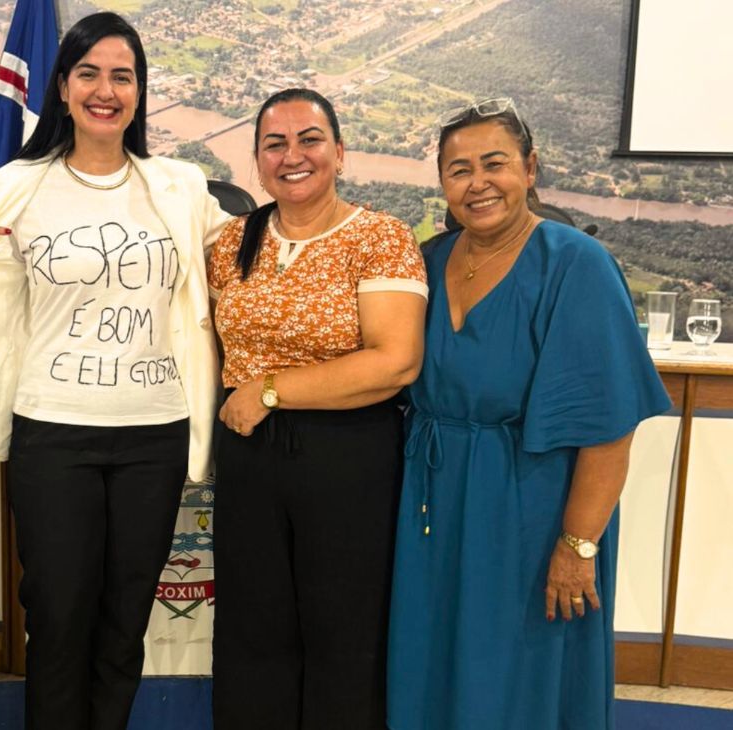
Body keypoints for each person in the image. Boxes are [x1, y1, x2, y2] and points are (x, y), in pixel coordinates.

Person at [0, 12, 230, 730]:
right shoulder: (15, 187)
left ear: (139, 93)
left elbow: (238, 271)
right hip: (53, 434)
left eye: (123, 76)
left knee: (124, 621)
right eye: (90, 73)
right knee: (60, 618)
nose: (106, 90)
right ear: (63, 87)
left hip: (154, 433)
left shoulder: (180, 188)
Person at [386, 98, 671, 730]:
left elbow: (607, 432)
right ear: (442, 184)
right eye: (459, 170)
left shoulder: (576, 265)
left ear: (530, 168)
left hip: (532, 508)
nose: (477, 183)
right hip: (433, 502)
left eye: (495, 163)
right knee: (433, 652)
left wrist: (577, 546)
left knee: (522, 670)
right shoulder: (428, 262)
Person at [208, 88, 428, 730]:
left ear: (340, 151)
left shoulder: (380, 238)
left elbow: (396, 362)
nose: (293, 156)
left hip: (348, 457)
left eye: (310, 139)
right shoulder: (231, 243)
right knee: (252, 629)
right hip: (250, 458)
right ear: (257, 161)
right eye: (275, 144)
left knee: (344, 632)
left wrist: (271, 389)